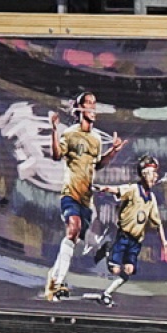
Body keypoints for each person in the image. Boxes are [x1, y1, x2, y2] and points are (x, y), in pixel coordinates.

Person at [43, 91, 123, 300]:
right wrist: (54, 130)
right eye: (88, 103)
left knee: (74, 238)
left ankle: (54, 277)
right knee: (73, 228)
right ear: (80, 109)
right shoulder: (70, 134)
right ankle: (58, 283)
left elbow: (98, 165)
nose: (92, 107)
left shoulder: (96, 139)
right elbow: (56, 155)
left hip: (86, 199)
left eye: (94, 103)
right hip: (70, 193)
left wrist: (113, 151)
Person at [97, 155, 167, 307]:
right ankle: (108, 249)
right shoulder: (133, 190)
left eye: (156, 174)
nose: (155, 177)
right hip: (124, 236)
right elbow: (117, 190)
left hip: (136, 242)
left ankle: (107, 293)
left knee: (128, 271)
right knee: (115, 270)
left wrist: (164, 241)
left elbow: (157, 223)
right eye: (152, 173)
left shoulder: (152, 199)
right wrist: (105, 188)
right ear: (144, 174)